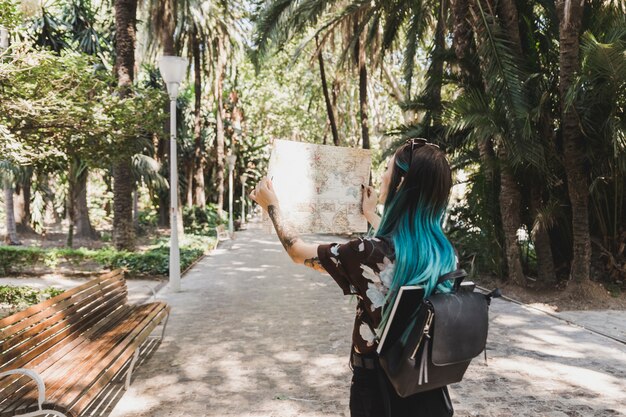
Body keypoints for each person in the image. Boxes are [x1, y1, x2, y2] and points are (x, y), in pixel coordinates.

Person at [249, 138, 456, 417]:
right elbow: (396, 250)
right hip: (427, 383)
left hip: (379, 391)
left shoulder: (364, 252)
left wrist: (273, 206)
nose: (382, 176)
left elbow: (297, 252)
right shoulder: (443, 253)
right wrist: (370, 213)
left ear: (400, 183)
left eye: (388, 169)